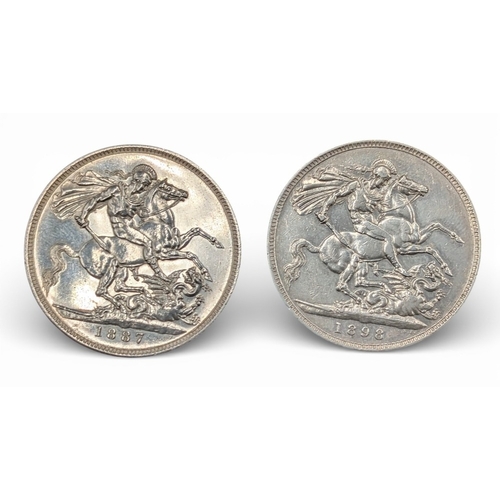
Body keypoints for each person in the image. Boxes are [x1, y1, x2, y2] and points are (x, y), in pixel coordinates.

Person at [316, 159, 411, 276]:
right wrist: (323, 210)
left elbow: (382, 208)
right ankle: (398, 267)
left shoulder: (379, 194)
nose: (384, 183)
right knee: (388, 238)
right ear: (376, 176)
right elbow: (336, 195)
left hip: (372, 222)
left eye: (386, 181)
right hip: (360, 222)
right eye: (384, 179)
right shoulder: (357, 185)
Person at [75, 163, 166, 277]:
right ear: (137, 181)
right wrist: (83, 215)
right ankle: (159, 273)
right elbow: (95, 200)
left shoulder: (135, 198)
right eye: (144, 184)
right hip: (122, 228)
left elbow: (140, 214)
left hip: (133, 226)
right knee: (148, 242)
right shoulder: (117, 190)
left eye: (146, 185)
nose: (143, 188)